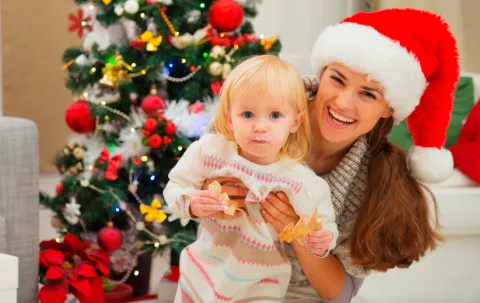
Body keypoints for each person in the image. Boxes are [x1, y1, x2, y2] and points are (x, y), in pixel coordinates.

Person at [200, 8, 460, 302]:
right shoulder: (259, 103)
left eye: (368, 94)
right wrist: (211, 196)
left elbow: (340, 294)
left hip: (299, 293)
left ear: (389, 108)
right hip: (220, 277)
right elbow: (198, 178)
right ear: (322, 73)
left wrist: (299, 236)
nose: (344, 103)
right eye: (337, 79)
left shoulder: (374, 180)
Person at [163, 54, 339, 302]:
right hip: (202, 272)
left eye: (275, 115)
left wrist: (323, 239)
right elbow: (175, 187)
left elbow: (323, 223)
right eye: (247, 114)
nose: (260, 127)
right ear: (229, 119)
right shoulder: (210, 152)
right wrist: (191, 203)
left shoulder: (300, 180)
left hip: (261, 283)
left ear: (295, 122)